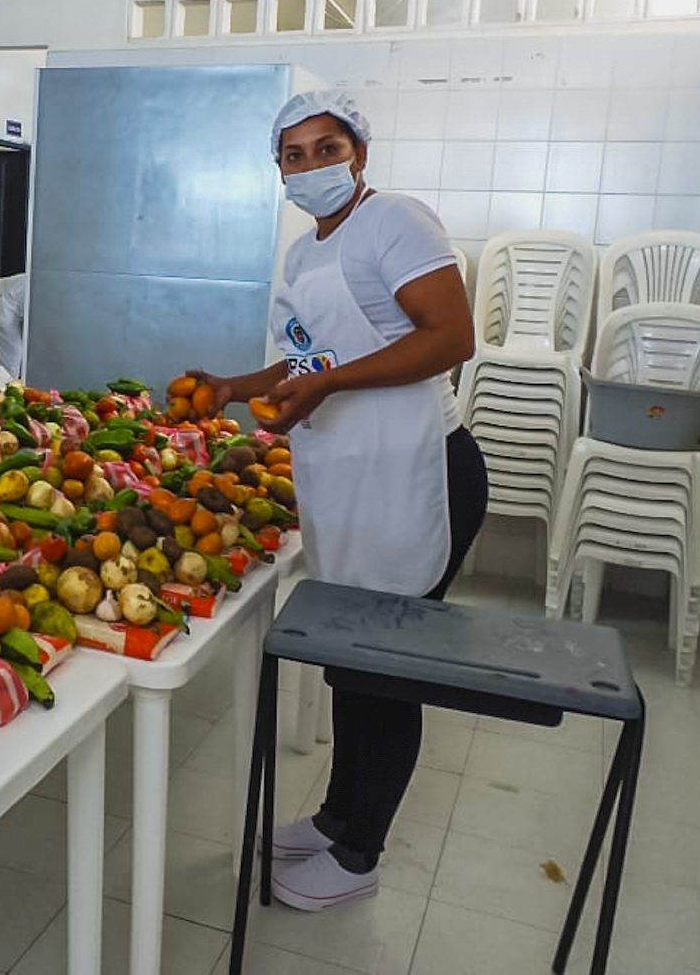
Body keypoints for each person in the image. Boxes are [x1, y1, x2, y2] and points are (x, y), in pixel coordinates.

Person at [191, 90, 488, 912]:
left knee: (386, 673)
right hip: (353, 476)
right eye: (294, 154)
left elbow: (450, 338)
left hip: (420, 470)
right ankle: (333, 818)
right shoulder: (304, 254)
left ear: (360, 152)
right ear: (278, 170)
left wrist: (327, 382)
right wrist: (230, 387)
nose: (311, 165)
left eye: (328, 147)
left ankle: (358, 855)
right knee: (350, 662)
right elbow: (303, 361)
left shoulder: (397, 222)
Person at [0, 272, 28, 380]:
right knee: (11, 362)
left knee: (19, 358)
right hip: (5, 299)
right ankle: (3, 392)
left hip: (13, 297)